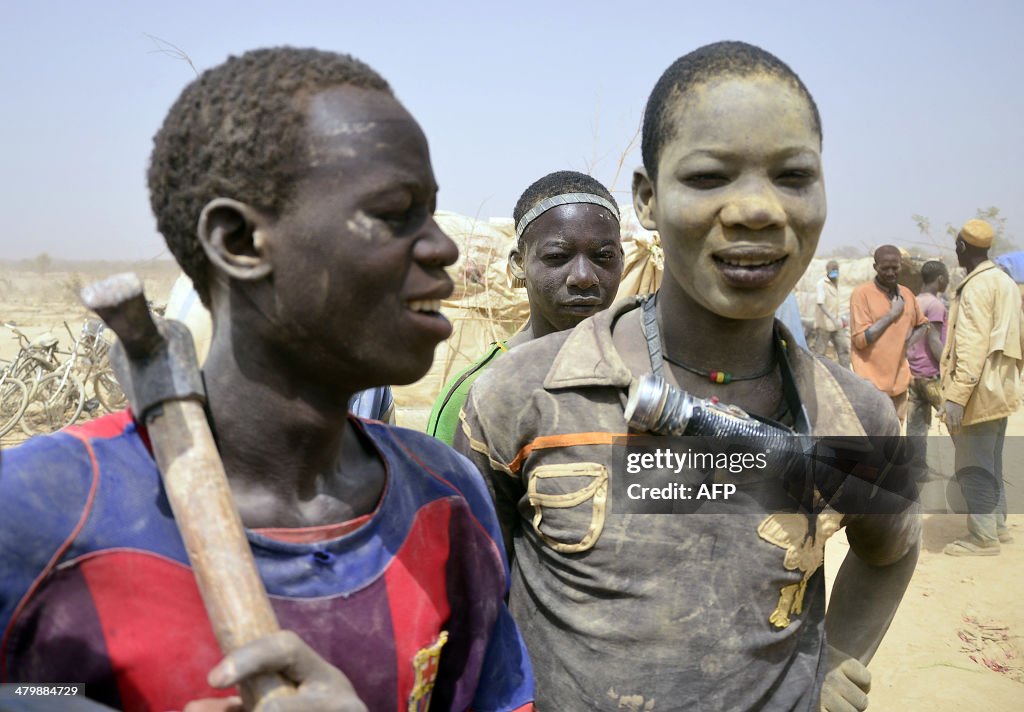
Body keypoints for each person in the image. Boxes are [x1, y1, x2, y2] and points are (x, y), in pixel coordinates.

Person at [0, 48, 534, 712]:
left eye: (432, 211)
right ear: (240, 242)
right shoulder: (40, 511)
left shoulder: (449, 500)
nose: (443, 248)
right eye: (395, 213)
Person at [455, 41, 919, 712]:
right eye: (709, 178)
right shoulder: (524, 396)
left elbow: (889, 553)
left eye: (792, 176)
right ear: (647, 198)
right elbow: (469, 593)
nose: (757, 209)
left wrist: (838, 656)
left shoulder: (854, 419)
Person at [426, 171, 624, 445]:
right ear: (519, 263)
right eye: (557, 256)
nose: (583, 277)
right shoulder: (477, 390)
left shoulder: (645, 374)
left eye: (604, 256)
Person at [941, 219, 1023, 556]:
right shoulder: (1005, 282)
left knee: (972, 465)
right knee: (992, 462)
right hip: (1000, 389)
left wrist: (957, 396)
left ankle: (983, 538)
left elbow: (971, 347)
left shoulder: (976, 287)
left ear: (962, 247)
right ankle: (997, 527)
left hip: (977, 392)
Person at [849, 245, 928, 428]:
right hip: (871, 387)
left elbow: (923, 325)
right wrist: (891, 316)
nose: (891, 273)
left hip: (899, 385)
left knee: (894, 441)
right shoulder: (862, 294)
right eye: (885, 268)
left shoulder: (907, 294)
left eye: (895, 267)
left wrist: (907, 343)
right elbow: (860, 341)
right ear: (875, 267)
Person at [906, 260, 949, 481]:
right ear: (940, 278)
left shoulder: (912, 301)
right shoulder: (935, 305)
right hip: (931, 374)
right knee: (953, 419)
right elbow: (934, 340)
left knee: (916, 426)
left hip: (913, 373)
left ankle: (915, 470)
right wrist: (948, 368)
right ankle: (972, 466)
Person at [813, 260, 850, 367]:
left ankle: (847, 374)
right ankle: (819, 374)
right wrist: (832, 318)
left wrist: (842, 317)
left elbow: (837, 303)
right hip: (824, 325)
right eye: (832, 270)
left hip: (837, 324)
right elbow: (821, 303)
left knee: (843, 350)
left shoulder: (837, 283)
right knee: (820, 352)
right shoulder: (822, 283)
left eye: (836, 270)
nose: (834, 272)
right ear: (827, 270)